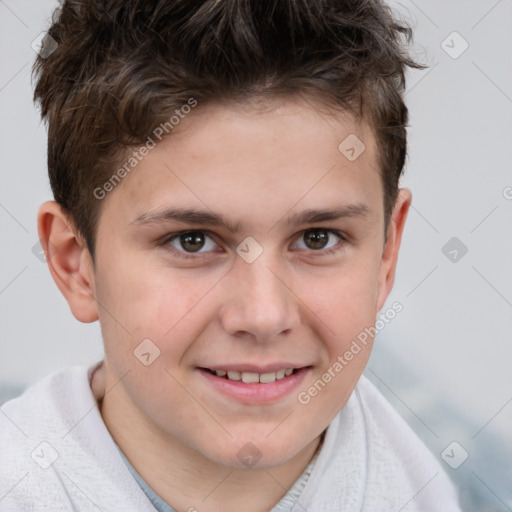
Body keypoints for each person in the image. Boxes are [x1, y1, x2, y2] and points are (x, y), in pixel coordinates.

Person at [0, 0, 462, 510]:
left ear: (385, 255)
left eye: (317, 238)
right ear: (75, 265)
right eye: (192, 240)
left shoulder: (418, 486)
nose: (264, 316)